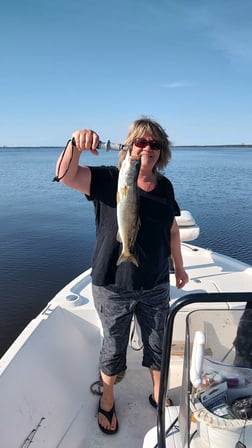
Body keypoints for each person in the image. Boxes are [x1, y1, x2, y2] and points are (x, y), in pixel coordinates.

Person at [55, 117, 189, 434]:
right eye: (141, 142)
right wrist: (74, 144)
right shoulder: (110, 179)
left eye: (155, 144)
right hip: (112, 285)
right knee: (113, 347)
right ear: (129, 146)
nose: (148, 148)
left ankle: (158, 393)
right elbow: (65, 175)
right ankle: (108, 398)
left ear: (162, 151)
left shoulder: (165, 186)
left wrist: (179, 267)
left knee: (158, 341)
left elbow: (171, 230)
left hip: (155, 282)